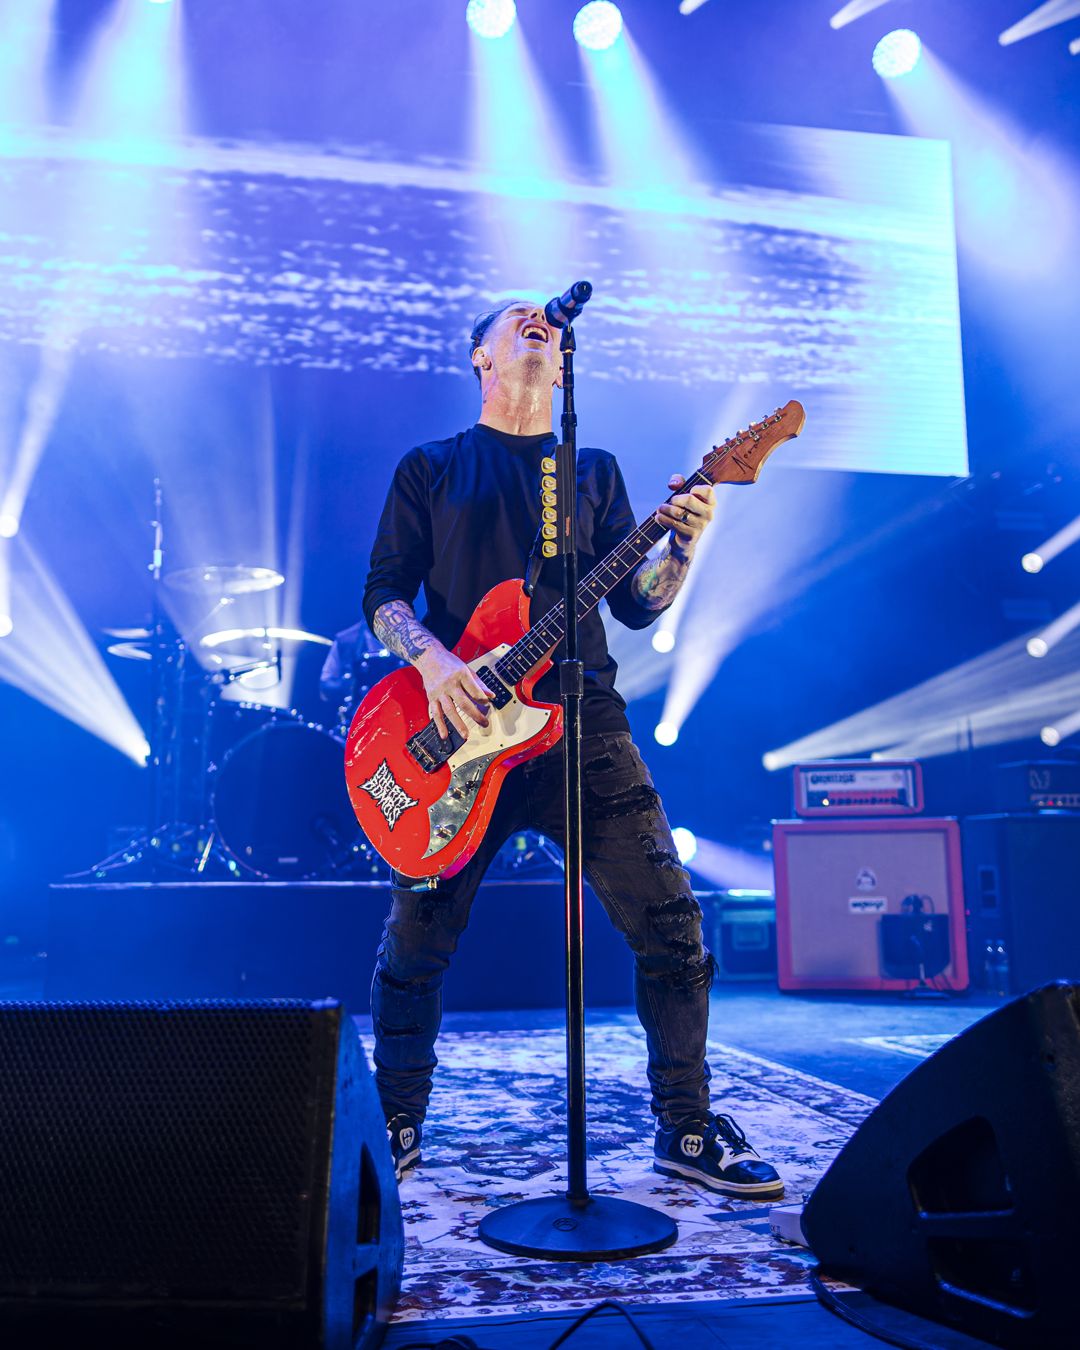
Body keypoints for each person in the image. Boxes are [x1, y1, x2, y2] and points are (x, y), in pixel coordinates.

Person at [361, 297, 783, 1200]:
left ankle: (686, 1126)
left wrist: (682, 546)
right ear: (481, 355)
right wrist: (435, 664)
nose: (536, 323)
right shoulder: (429, 468)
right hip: (461, 732)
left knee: (673, 925)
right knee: (415, 946)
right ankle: (392, 1123)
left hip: (582, 722)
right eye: (517, 318)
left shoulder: (590, 472)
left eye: (543, 324)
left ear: (562, 364)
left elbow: (641, 604)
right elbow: (384, 595)